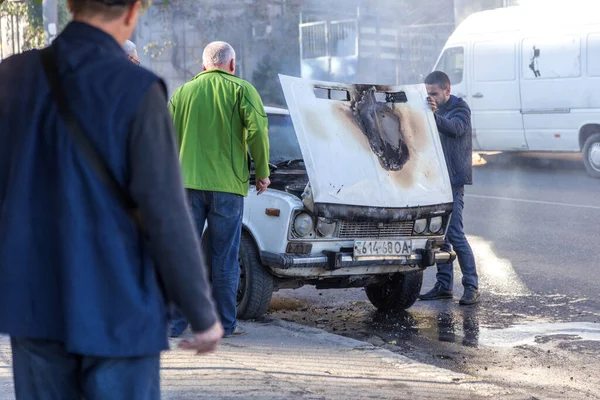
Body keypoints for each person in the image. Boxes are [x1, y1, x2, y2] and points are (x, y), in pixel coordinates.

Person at [0, 0, 223, 398]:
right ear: (134, 10)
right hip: (120, 306)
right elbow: (165, 213)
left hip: (34, 303)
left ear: (70, 5)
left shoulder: (13, 76)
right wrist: (202, 313)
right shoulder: (138, 89)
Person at [168, 41, 270, 338]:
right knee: (225, 256)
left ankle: (175, 324)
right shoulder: (242, 90)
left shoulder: (182, 93)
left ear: (203, 66)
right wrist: (261, 173)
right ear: (232, 64)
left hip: (186, 185)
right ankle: (225, 324)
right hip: (227, 187)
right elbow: (257, 132)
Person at [419, 71, 481, 306]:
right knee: (439, 236)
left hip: (453, 180)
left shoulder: (460, 108)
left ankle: (472, 286)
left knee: (455, 233)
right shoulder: (431, 108)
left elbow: (455, 128)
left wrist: (433, 114)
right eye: (427, 93)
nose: (430, 97)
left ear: (448, 90)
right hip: (434, 180)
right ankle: (444, 286)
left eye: (434, 93)